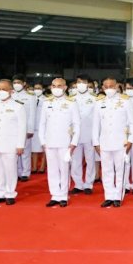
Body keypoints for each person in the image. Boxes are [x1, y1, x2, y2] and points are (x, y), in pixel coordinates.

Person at [92, 77, 133, 208]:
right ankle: (109, 196)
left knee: (120, 169)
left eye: (111, 86)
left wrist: (130, 140)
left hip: (121, 142)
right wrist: (96, 142)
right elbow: (95, 125)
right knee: (106, 170)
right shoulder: (99, 102)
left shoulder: (125, 101)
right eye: (106, 86)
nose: (109, 88)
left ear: (117, 86)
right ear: (103, 88)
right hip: (104, 142)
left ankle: (118, 196)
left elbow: (132, 123)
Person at [38, 78, 80, 207]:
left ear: (65, 87)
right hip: (50, 142)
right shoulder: (46, 102)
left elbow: (76, 124)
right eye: (54, 86)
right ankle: (54, 195)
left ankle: (63, 196)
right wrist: (43, 141)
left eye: (59, 86)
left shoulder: (71, 103)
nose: (56, 88)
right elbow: (42, 124)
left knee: (64, 169)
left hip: (65, 142)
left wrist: (73, 142)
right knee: (52, 170)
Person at [0, 79, 27, 205]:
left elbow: (22, 127)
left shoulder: (18, 106)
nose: (1, 92)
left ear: (11, 91)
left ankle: (10, 193)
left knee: (10, 169)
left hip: (10, 143)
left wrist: (20, 144)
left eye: (4, 89)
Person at [71, 74, 98, 195]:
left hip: (90, 133)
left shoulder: (94, 98)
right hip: (75, 135)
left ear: (88, 84)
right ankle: (78, 184)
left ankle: (88, 184)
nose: (81, 84)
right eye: (79, 82)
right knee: (75, 161)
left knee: (90, 160)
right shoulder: (70, 98)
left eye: (84, 82)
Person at [11, 74, 37, 182]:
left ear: (24, 84)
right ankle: (16, 171)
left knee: (25, 151)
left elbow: (32, 114)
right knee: (14, 152)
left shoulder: (30, 96)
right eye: (15, 83)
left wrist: (30, 129)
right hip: (12, 128)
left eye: (19, 83)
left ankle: (25, 172)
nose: (16, 85)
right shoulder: (10, 95)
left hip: (25, 127)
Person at [30, 82, 46, 174]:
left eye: (39, 88)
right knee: (34, 149)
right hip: (34, 127)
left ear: (43, 89)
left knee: (44, 148)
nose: (37, 90)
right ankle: (34, 167)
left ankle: (42, 167)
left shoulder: (46, 99)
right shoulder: (31, 98)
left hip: (43, 127)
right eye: (35, 88)